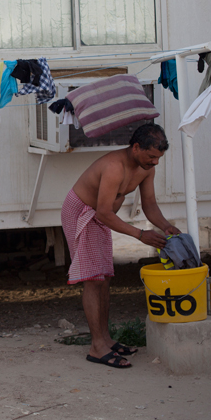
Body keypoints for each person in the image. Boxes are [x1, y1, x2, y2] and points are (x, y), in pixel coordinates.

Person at [62, 123, 179, 369]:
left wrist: (166, 227)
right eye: (151, 156)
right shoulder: (114, 167)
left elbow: (150, 206)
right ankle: (97, 347)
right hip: (83, 213)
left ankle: (105, 340)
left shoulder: (146, 168)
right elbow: (104, 212)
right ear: (136, 147)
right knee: (93, 279)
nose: (155, 162)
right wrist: (140, 234)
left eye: (158, 158)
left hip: (101, 215)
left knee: (104, 278)